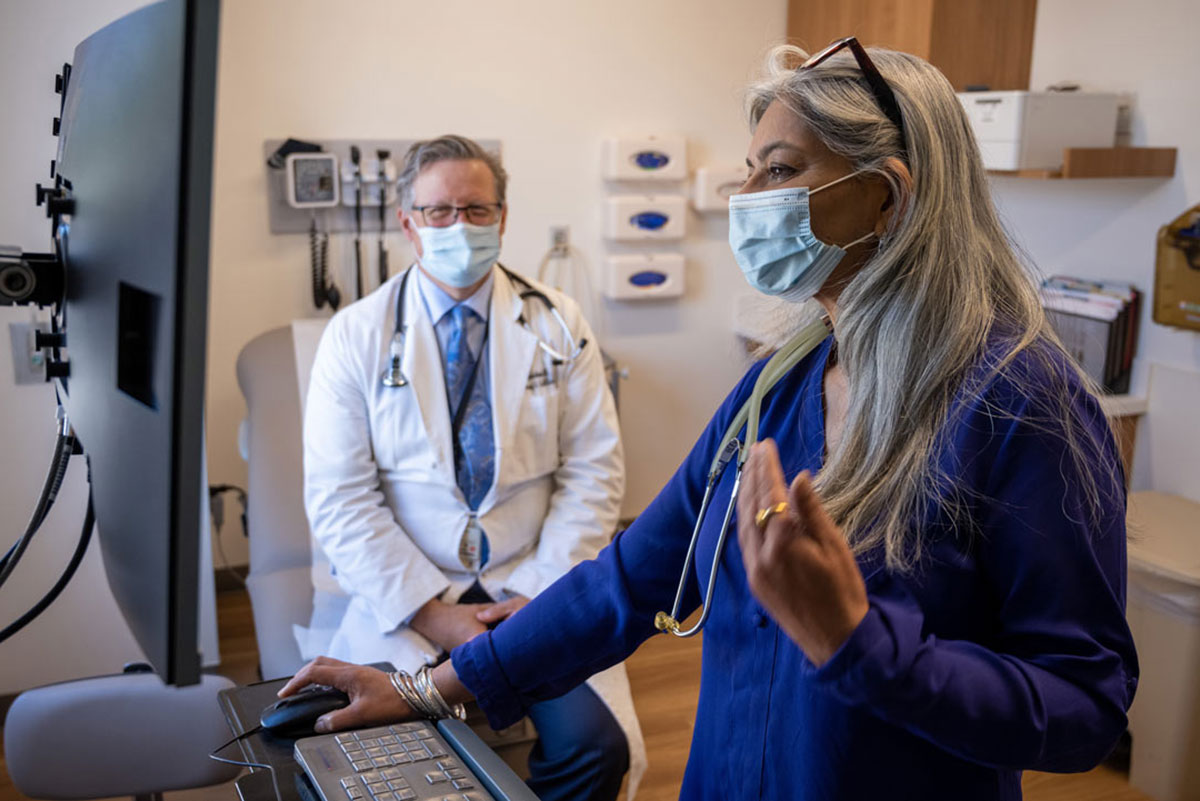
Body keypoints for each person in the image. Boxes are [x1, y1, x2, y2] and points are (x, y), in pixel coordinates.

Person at [283, 42, 1138, 800]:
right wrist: (434, 686)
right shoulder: (782, 385)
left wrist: (864, 646)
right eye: (750, 168)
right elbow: (634, 576)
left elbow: (1084, 703)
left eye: (778, 170)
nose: (744, 196)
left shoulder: (1021, 402)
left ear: (884, 197)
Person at [300, 134, 644, 801]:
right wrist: (432, 613)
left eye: (477, 210)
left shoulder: (557, 320)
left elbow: (594, 471)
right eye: (439, 212)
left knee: (595, 749)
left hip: (531, 585)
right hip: (413, 596)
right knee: (377, 756)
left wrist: (539, 598)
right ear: (408, 223)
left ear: (504, 217)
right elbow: (342, 497)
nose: (460, 226)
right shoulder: (357, 334)